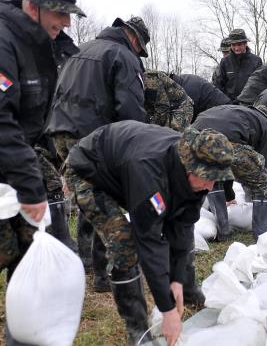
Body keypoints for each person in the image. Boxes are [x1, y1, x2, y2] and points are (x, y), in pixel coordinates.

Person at [65, 122, 233, 346]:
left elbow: (182, 228)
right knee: (123, 241)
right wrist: (168, 310)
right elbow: (150, 245)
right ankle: (137, 328)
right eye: (207, 177)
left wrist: (176, 282)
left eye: (214, 178)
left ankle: (188, 292)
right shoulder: (149, 173)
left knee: (172, 229)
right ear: (189, 166)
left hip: (122, 166)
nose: (210, 186)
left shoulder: (194, 177)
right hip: (88, 170)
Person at [0, 0, 84, 343]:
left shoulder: (46, 47)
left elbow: (36, 117)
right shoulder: (4, 41)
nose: (66, 21)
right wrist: (31, 187)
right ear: (34, 6)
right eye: (59, 12)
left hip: (17, 164)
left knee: (32, 253)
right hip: (10, 168)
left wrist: (50, 164)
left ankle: (26, 333)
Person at [46, 15, 150, 292]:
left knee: (84, 196)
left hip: (60, 131)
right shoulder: (124, 56)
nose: (138, 53)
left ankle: (85, 261)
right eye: (140, 48)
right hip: (92, 135)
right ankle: (104, 273)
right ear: (134, 39)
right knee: (103, 197)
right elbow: (129, 105)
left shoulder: (80, 50)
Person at [192, 105, 267, 240]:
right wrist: (266, 190)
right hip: (225, 141)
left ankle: (223, 231)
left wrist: (229, 195)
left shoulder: (235, 110)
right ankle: (263, 236)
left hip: (194, 137)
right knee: (264, 182)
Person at [213, 28, 262, 101]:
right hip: (229, 105)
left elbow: (260, 84)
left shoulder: (256, 61)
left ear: (245, 44)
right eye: (233, 45)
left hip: (250, 105)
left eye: (239, 45)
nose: (236, 48)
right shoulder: (225, 62)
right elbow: (219, 86)